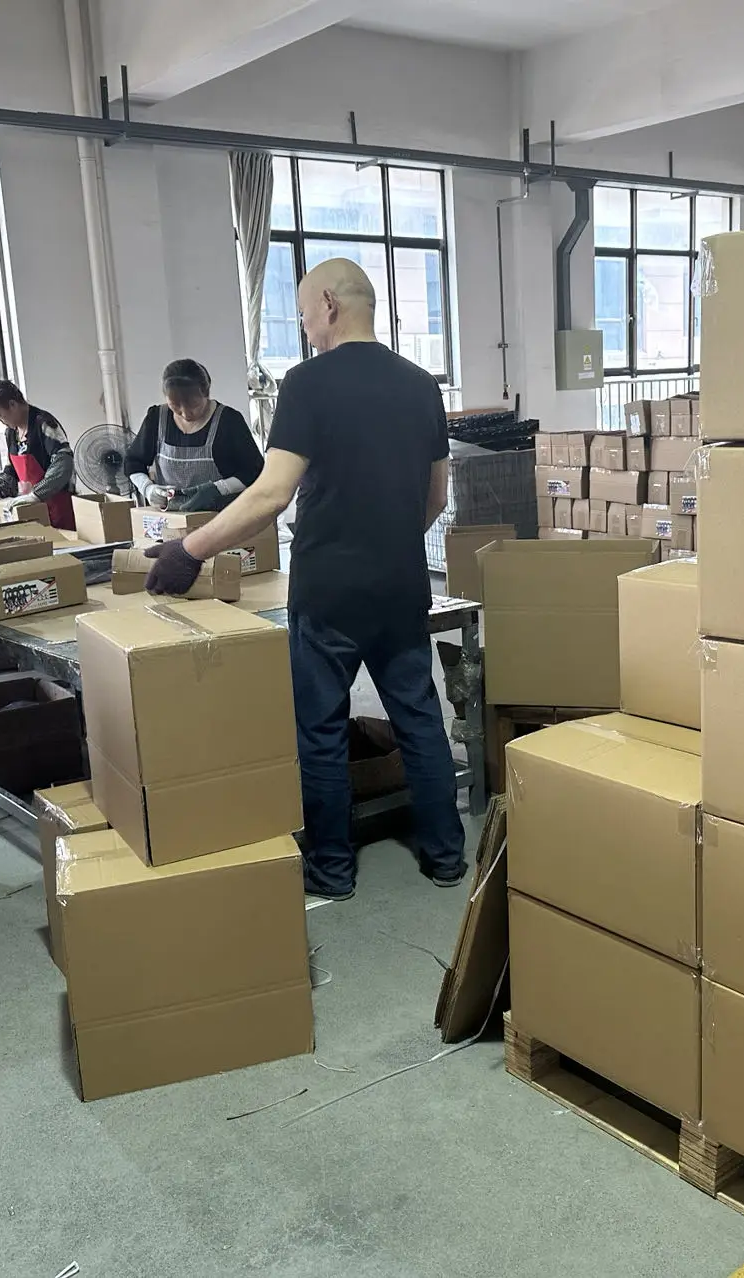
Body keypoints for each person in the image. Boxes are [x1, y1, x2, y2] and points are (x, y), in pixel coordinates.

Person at [143, 258, 465, 900]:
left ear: (328, 304)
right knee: (419, 717)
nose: (305, 329)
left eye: (302, 315)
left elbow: (271, 494)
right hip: (402, 582)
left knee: (320, 728)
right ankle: (446, 857)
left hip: (329, 591)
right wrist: (388, 541)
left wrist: (189, 550)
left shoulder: (307, 383)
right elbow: (436, 497)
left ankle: (332, 870)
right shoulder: (422, 385)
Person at [124, 359, 264, 513]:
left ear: (206, 393)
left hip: (222, 517)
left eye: (194, 405)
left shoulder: (229, 421)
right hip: (172, 518)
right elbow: (132, 462)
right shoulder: (156, 418)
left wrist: (219, 488)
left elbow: (254, 470)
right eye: (175, 406)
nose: (186, 414)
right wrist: (147, 488)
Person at [0, 373, 77, 530]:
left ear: (13, 404)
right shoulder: (12, 433)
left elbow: (64, 463)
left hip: (59, 509)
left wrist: (36, 495)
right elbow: (11, 471)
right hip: (33, 512)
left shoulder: (44, 424)